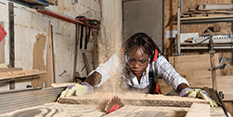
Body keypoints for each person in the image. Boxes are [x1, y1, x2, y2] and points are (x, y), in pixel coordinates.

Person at [59, 32, 217, 107]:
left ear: (151, 57)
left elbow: (174, 77)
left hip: (154, 103)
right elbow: (103, 71)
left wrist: (186, 91)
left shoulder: (158, 61)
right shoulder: (120, 60)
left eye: (142, 61)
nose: (136, 65)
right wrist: (86, 84)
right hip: (126, 103)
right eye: (132, 60)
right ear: (125, 55)